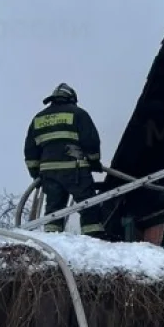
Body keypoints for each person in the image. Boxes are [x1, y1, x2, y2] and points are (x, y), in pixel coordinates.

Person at [24, 84, 106, 235]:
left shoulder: (38, 118)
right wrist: (94, 161)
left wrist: (35, 173)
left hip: (49, 173)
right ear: (71, 98)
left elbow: (30, 150)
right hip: (75, 169)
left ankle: (53, 238)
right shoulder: (78, 113)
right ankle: (94, 238)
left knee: (54, 209)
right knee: (89, 205)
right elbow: (91, 141)